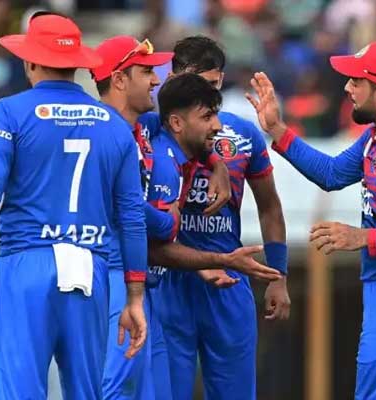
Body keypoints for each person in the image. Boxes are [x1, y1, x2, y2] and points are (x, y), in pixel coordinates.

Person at [0, 14, 148, 399]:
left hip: (26, 264)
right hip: (90, 268)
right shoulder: (114, 125)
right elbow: (132, 217)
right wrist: (135, 296)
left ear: (30, 62)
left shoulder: (7, 112)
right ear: (76, 64)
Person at [90, 35, 282, 400]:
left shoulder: (231, 135)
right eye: (147, 72)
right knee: (130, 386)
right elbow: (126, 209)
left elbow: (270, 204)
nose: (155, 80)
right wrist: (168, 223)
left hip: (203, 279)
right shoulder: (138, 129)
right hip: (150, 276)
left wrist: (215, 161)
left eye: (212, 90)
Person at [247, 41, 376, 399]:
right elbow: (332, 173)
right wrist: (276, 128)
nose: (348, 88)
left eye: (356, 81)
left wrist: (363, 238)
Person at [143, 36, 290, 400]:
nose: (201, 96)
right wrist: (214, 163)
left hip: (228, 280)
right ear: (171, 78)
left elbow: (270, 206)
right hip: (168, 280)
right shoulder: (151, 129)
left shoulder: (242, 134)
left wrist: (279, 275)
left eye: (209, 85)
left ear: (221, 79)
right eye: (190, 83)